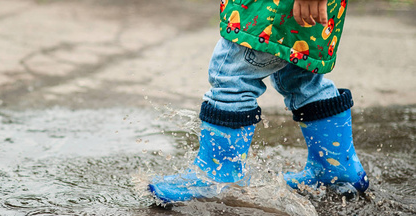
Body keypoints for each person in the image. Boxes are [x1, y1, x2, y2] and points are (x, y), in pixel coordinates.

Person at [149, 0, 369, 203]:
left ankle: (218, 177)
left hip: (272, 10)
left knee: (232, 77)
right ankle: (336, 168)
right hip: (290, 12)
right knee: (300, 78)